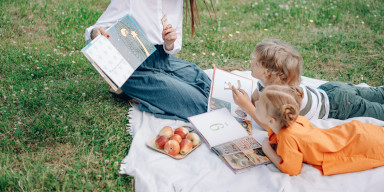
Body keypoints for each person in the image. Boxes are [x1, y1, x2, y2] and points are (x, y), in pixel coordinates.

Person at [84, 0, 214, 121]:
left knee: (208, 86)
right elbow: (94, 29)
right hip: (135, 70)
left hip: (164, 60)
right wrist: (95, 33)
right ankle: (134, 92)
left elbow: (173, 46)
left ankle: (141, 95)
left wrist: (169, 43)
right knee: (200, 104)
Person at [232, 39, 384, 131]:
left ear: (270, 74)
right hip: (331, 90)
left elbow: (269, 126)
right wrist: (250, 100)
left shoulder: (281, 97)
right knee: (378, 93)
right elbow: (257, 95)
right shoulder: (267, 81)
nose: (251, 63)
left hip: (339, 106)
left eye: (256, 63)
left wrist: (247, 106)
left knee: (379, 110)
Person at [259, 85, 384, 176]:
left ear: (272, 120)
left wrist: (267, 149)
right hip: (355, 132)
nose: (256, 103)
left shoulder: (287, 137)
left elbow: (292, 169)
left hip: (362, 145)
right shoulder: (295, 120)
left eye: (258, 106)